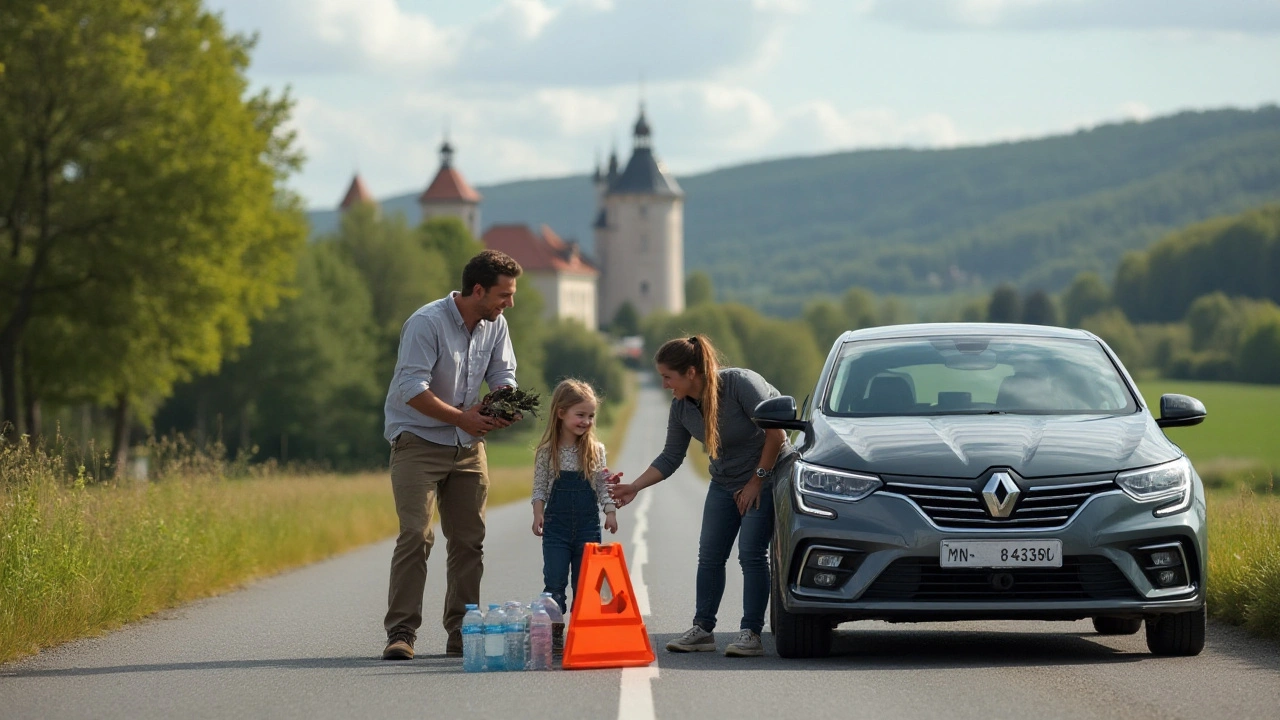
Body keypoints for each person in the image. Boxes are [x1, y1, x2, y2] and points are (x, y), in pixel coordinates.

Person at [381, 249, 524, 661]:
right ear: (477, 290)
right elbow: (411, 389)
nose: (509, 303)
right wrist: (462, 418)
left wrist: (502, 403)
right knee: (416, 535)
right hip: (418, 441)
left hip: (468, 447)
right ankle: (402, 632)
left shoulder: (495, 325)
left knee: (468, 541)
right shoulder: (426, 323)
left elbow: (502, 375)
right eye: (504, 294)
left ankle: (462, 632)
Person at [610, 335, 792, 658]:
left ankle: (751, 633)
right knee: (709, 555)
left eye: (668, 377)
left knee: (751, 554)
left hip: (765, 475)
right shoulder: (682, 408)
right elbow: (670, 457)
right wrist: (634, 487)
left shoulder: (739, 385)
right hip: (724, 482)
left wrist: (755, 482)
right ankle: (703, 629)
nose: (664, 384)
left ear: (691, 372)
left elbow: (776, 434)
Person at [530, 379, 623, 652]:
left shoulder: (596, 451)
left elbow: (603, 486)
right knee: (555, 580)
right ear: (561, 413)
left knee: (584, 583)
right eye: (580, 415)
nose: (586, 421)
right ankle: (555, 631)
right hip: (556, 528)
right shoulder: (547, 452)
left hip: (587, 527)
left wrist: (610, 512)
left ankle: (583, 631)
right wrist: (538, 513)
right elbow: (539, 487)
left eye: (591, 416)